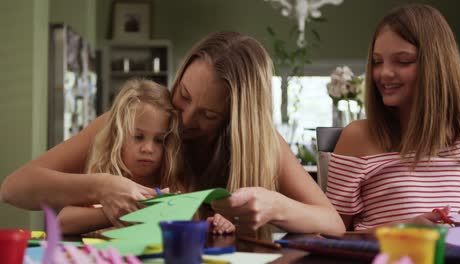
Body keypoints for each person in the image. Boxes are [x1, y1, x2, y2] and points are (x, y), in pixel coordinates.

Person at [1, 31, 345, 235]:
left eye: (209, 114)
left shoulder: (263, 142)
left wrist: (276, 206)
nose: (186, 118)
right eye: (184, 95)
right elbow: (14, 188)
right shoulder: (136, 121)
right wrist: (101, 187)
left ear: (233, 121)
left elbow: (332, 222)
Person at [326, 4, 460, 231]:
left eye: (402, 61)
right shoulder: (359, 137)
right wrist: (397, 232)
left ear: (437, 65)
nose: (384, 73)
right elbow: (328, 236)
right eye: (377, 61)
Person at [57, 79, 234, 235]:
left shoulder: (173, 186)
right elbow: (62, 223)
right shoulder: (103, 180)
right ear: (117, 135)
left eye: (159, 140)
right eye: (138, 137)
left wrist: (217, 224)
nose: (148, 148)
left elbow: (193, 226)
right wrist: (119, 211)